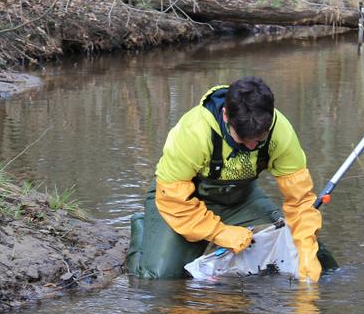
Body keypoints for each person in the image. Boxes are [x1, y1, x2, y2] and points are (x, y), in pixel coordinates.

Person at [126, 76, 325, 282]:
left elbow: (300, 201)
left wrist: (306, 251)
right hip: (179, 202)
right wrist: (219, 232)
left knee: (317, 257)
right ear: (225, 116)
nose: (250, 147)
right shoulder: (194, 132)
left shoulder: (280, 132)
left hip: (240, 200)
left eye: (258, 141)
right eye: (242, 140)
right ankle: (143, 228)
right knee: (158, 277)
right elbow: (174, 200)